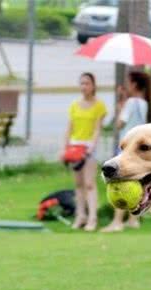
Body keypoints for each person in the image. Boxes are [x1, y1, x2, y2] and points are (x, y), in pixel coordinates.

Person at [101, 71, 151, 233]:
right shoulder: (144, 103)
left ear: (134, 85)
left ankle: (117, 221)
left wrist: (120, 106)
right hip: (138, 151)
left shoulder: (130, 102)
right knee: (136, 183)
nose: (126, 86)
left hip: (126, 149)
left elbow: (119, 124)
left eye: (128, 83)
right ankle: (132, 220)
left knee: (119, 182)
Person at [63, 72, 107, 231]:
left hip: (88, 148)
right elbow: (69, 128)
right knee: (78, 184)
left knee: (89, 184)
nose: (84, 87)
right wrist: (65, 148)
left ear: (93, 86)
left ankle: (92, 217)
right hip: (75, 146)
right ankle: (80, 215)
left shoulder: (99, 106)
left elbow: (97, 129)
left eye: (87, 83)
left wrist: (91, 147)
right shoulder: (74, 105)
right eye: (81, 83)